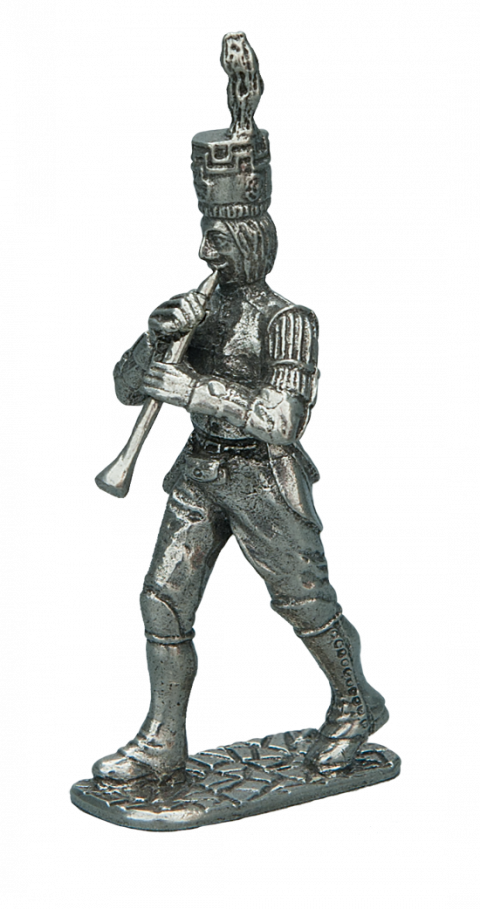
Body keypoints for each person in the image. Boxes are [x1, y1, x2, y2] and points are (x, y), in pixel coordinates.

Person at [90, 32, 390, 787]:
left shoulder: (287, 319)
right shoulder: (198, 309)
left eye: (225, 235)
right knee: (164, 595)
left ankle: (353, 704)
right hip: (199, 472)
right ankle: (163, 741)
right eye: (207, 233)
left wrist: (195, 391)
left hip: (261, 478)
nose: (211, 247)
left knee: (301, 598)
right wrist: (153, 339)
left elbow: (283, 421)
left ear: (256, 237)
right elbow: (128, 388)